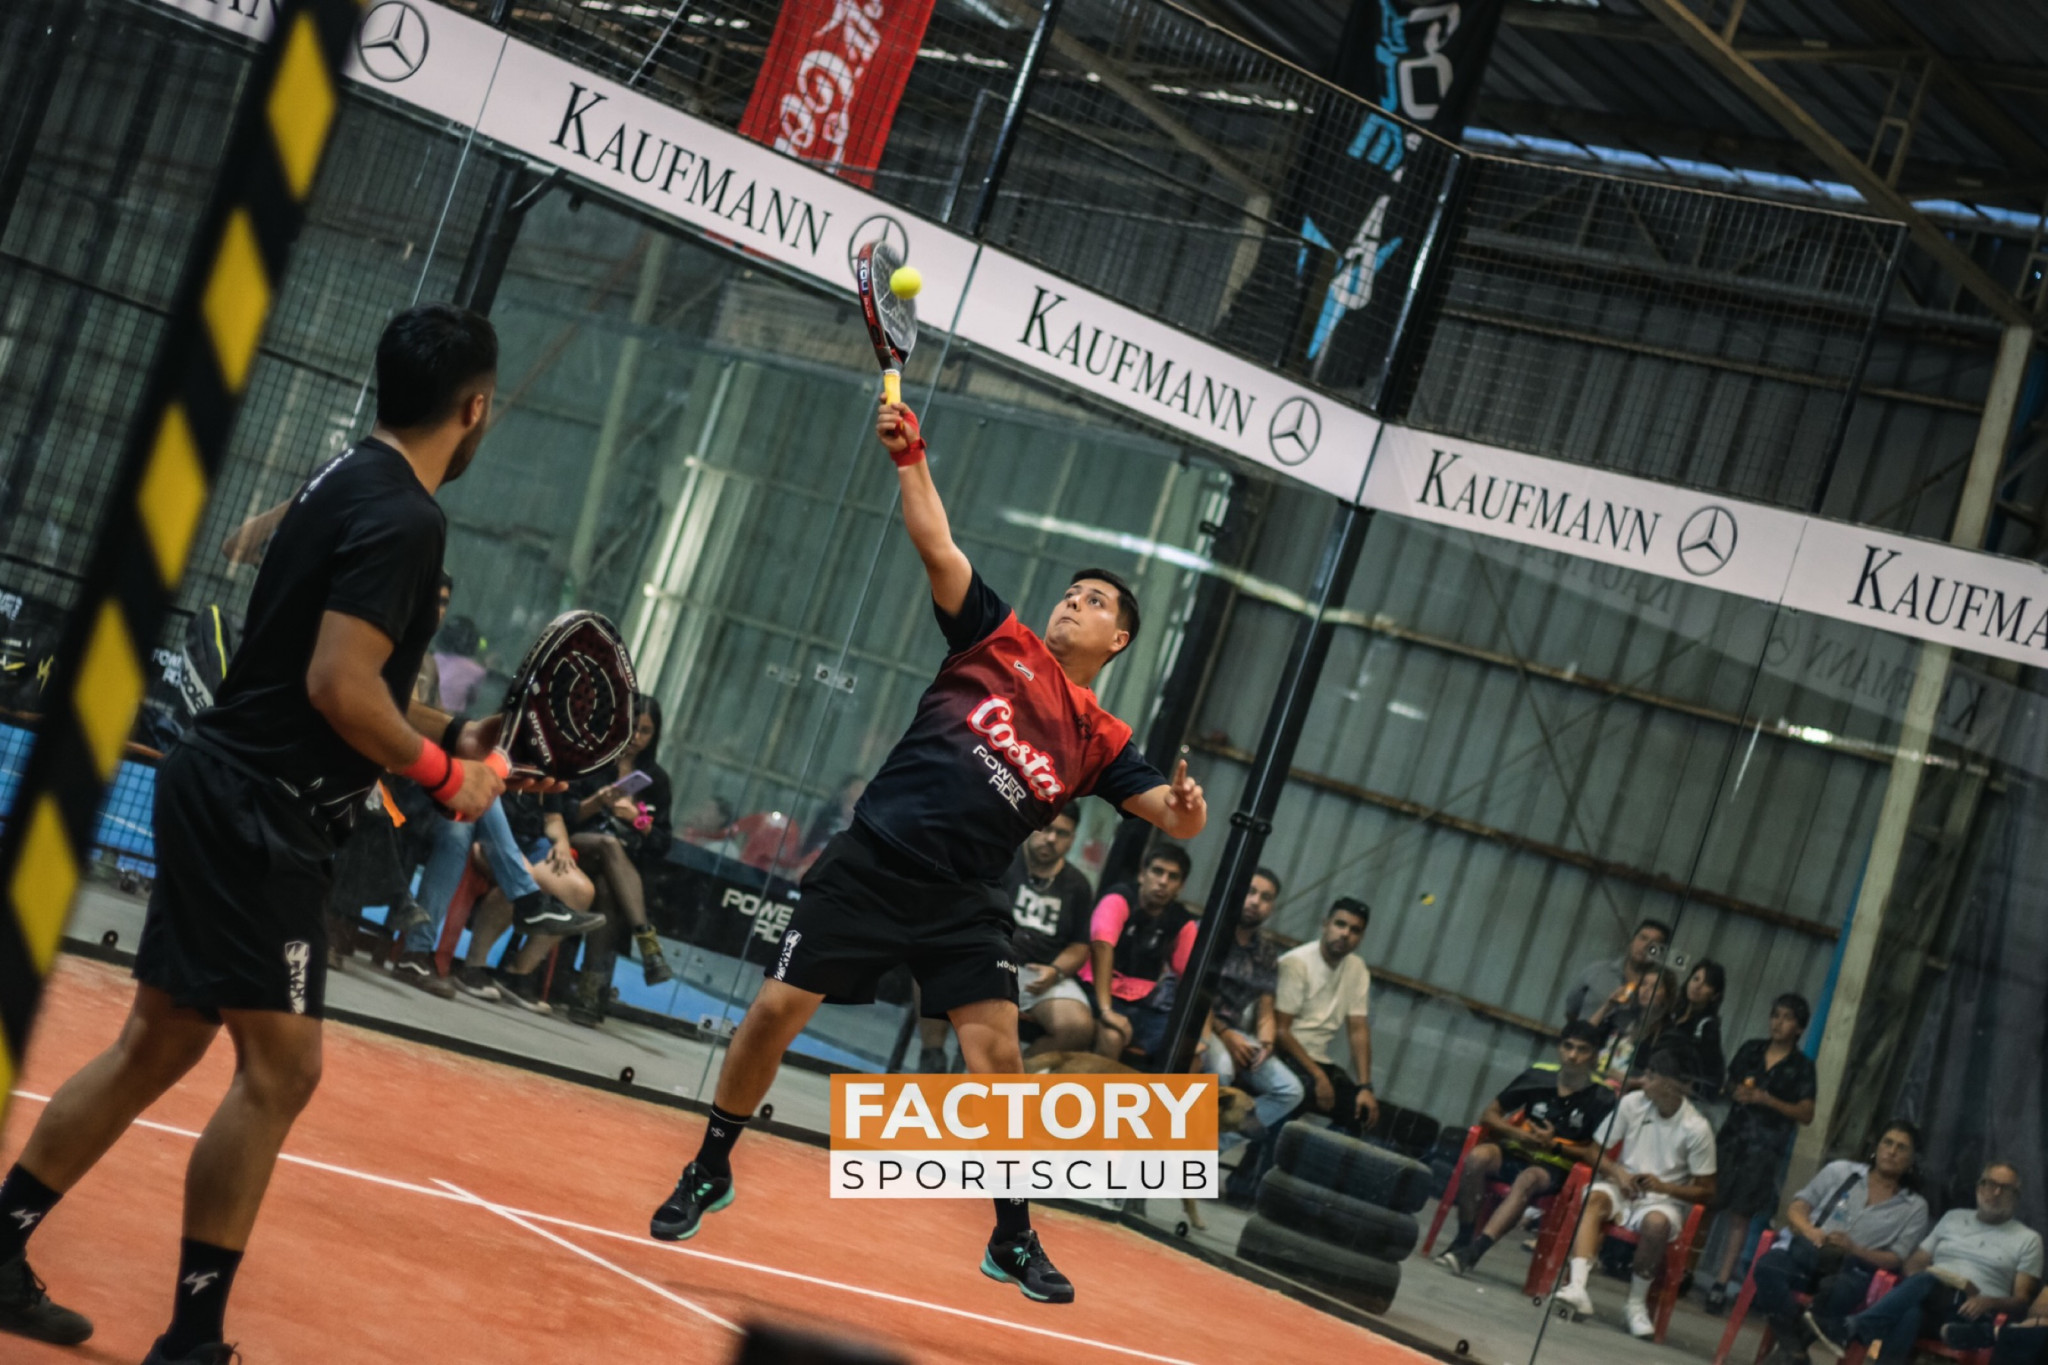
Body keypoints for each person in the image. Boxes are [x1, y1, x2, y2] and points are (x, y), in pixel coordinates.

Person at [0, 305, 527, 1361]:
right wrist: (442, 776)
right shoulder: (409, 520)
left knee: (160, 1040)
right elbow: (338, 686)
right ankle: (193, 1340)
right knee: (282, 1070)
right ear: (474, 410)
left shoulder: (342, 478)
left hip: (225, 783)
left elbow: (323, 669)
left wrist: (454, 736)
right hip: (263, 813)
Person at [647, 397, 1207, 1307]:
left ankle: (1013, 1237)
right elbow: (937, 543)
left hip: (963, 902)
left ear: (1120, 641)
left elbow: (1169, 817)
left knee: (999, 1065)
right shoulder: (999, 637)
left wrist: (1184, 810)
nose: (1074, 601)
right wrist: (911, 458)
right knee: (775, 1011)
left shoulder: (1100, 737)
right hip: (872, 862)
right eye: (1072, 591)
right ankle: (710, 1164)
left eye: (1096, 601)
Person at [1811, 1161, 2044, 1362]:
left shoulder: (2028, 1239)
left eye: (2005, 1188)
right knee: (1911, 1313)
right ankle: (1855, 1328)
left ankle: (1852, 1328)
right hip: (1929, 1302)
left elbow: (2021, 1301)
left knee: (1923, 1287)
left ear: (2016, 1197)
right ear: (1978, 1187)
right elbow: (1914, 1264)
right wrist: (1920, 1285)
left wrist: (1988, 1301)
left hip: (1971, 1312)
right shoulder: (1953, 1218)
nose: (1996, 1193)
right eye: (1990, 1184)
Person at [1557, 1047, 1718, 1338]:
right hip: (1621, 1186)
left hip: (1663, 1200)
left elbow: (1707, 1191)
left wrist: (1664, 1186)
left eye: (1651, 1077)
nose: (1643, 1081)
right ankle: (1577, 1286)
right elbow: (1593, 1152)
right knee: (1594, 1199)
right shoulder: (1632, 1103)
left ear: (1671, 1084)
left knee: (1656, 1225)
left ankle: (1635, 1304)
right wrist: (1618, 1173)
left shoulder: (1697, 1128)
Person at [1436, 1019, 1616, 1277]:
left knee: (1528, 1178)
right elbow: (1489, 1115)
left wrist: (1554, 1146)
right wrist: (1519, 1134)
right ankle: (1463, 1240)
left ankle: (1475, 1252)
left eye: (1582, 1050)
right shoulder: (1538, 1075)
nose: (1573, 1056)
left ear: (1595, 1055)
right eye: (1568, 1046)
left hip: (1555, 1167)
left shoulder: (1603, 1096)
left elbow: (1595, 1154)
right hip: (1517, 1150)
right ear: (1559, 1048)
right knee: (1477, 1157)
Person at [1749, 1120, 1930, 1364]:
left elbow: (1896, 1258)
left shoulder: (1914, 1206)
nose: (1892, 1151)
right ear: (1876, 1147)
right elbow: (1798, 1206)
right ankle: (1794, 1351)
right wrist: (1810, 1230)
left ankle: (1790, 1352)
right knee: (1768, 1267)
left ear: (1912, 1160)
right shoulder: (1841, 1171)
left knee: (1840, 1291)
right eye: (1887, 1143)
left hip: (1853, 1269)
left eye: (1901, 1148)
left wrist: (1855, 1249)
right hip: (1808, 1252)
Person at [1703, 993, 1819, 1312]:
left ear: (1799, 1028)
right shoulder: (1751, 1049)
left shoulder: (1802, 1067)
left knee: (1740, 1216)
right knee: (1708, 1203)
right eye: (1775, 1015)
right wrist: (1737, 1092)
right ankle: (1685, 1268)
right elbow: (1727, 1084)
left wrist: (1768, 1100)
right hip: (1731, 1139)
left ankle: (1720, 1283)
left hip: (1764, 1149)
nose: (1778, 1023)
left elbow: (1806, 1113)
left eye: (1786, 1018)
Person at [562, 695, 676, 997]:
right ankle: (647, 941)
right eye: (632, 727)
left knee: (607, 889)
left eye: (645, 731)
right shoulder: (591, 759)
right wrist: (598, 801)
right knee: (608, 844)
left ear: (655, 735)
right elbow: (562, 815)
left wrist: (638, 820)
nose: (636, 737)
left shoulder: (655, 779)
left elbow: (662, 843)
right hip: (573, 846)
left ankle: (589, 993)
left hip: (619, 869)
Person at [1196, 867, 1304, 1153]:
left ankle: (1212, 1145)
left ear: (1272, 907)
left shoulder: (1266, 952)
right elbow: (1194, 992)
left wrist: (1265, 1044)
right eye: (1251, 892)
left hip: (1236, 1032)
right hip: (1199, 1022)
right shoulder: (1208, 931)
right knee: (1221, 1071)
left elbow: (1266, 1009)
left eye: (1265, 897)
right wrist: (1226, 1035)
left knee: (1290, 1090)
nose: (1256, 901)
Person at [1274, 898, 1379, 1135]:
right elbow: (1281, 1032)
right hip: (1286, 1053)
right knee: (1299, 1093)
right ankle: (1258, 1158)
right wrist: (1319, 1077)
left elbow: (1358, 1029)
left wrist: (1365, 1086)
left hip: (1318, 1060)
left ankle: (1306, 1158)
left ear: (1361, 937)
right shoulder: (1297, 963)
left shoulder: (1357, 968)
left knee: (1361, 1112)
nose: (1345, 934)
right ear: (1325, 924)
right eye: (1340, 924)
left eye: (1355, 930)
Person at [1084, 846, 1196, 1060]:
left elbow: (1191, 977)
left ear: (1180, 886)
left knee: (1188, 1051)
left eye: (1172, 877)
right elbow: (1102, 948)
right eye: (1157, 871)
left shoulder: (1181, 920)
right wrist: (1107, 1010)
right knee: (1112, 1036)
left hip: (1143, 1005)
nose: (1163, 881)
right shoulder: (1119, 898)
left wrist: (1200, 1036)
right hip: (1097, 992)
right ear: (1142, 874)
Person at [1003, 810, 1098, 1056]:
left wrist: (1055, 971)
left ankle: (1013, 1075)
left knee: (1078, 1028)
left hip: (1039, 976)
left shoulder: (1078, 885)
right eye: (1046, 828)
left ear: (1072, 839)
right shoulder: (1003, 859)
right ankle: (933, 1055)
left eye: (1062, 833)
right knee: (934, 965)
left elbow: (1080, 945)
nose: (1051, 838)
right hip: (990, 960)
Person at [1562, 918, 1671, 1035]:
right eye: (1642, 938)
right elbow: (1571, 1011)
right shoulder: (1598, 971)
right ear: (1632, 941)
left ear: (1661, 952)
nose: (1645, 946)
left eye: (1654, 944)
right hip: (1582, 1041)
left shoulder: (1659, 987)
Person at [1596, 963, 1678, 1087]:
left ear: (1667, 996)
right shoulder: (1624, 1016)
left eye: (1655, 987)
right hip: (1596, 1082)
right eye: (1644, 984)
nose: (1646, 990)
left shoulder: (1666, 1035)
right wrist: (1608, 1005)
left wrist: (1626, 1080)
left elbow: (1658, 1080)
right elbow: (1585, 1036)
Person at [1661, 960, 1726, 1096]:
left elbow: (1707, 1071)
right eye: (1695, 979)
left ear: (1715, 995)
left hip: (1677, 1090)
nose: (1697, 986)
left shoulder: (1708, 1026)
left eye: (1706, 984)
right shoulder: (1673, 1012)